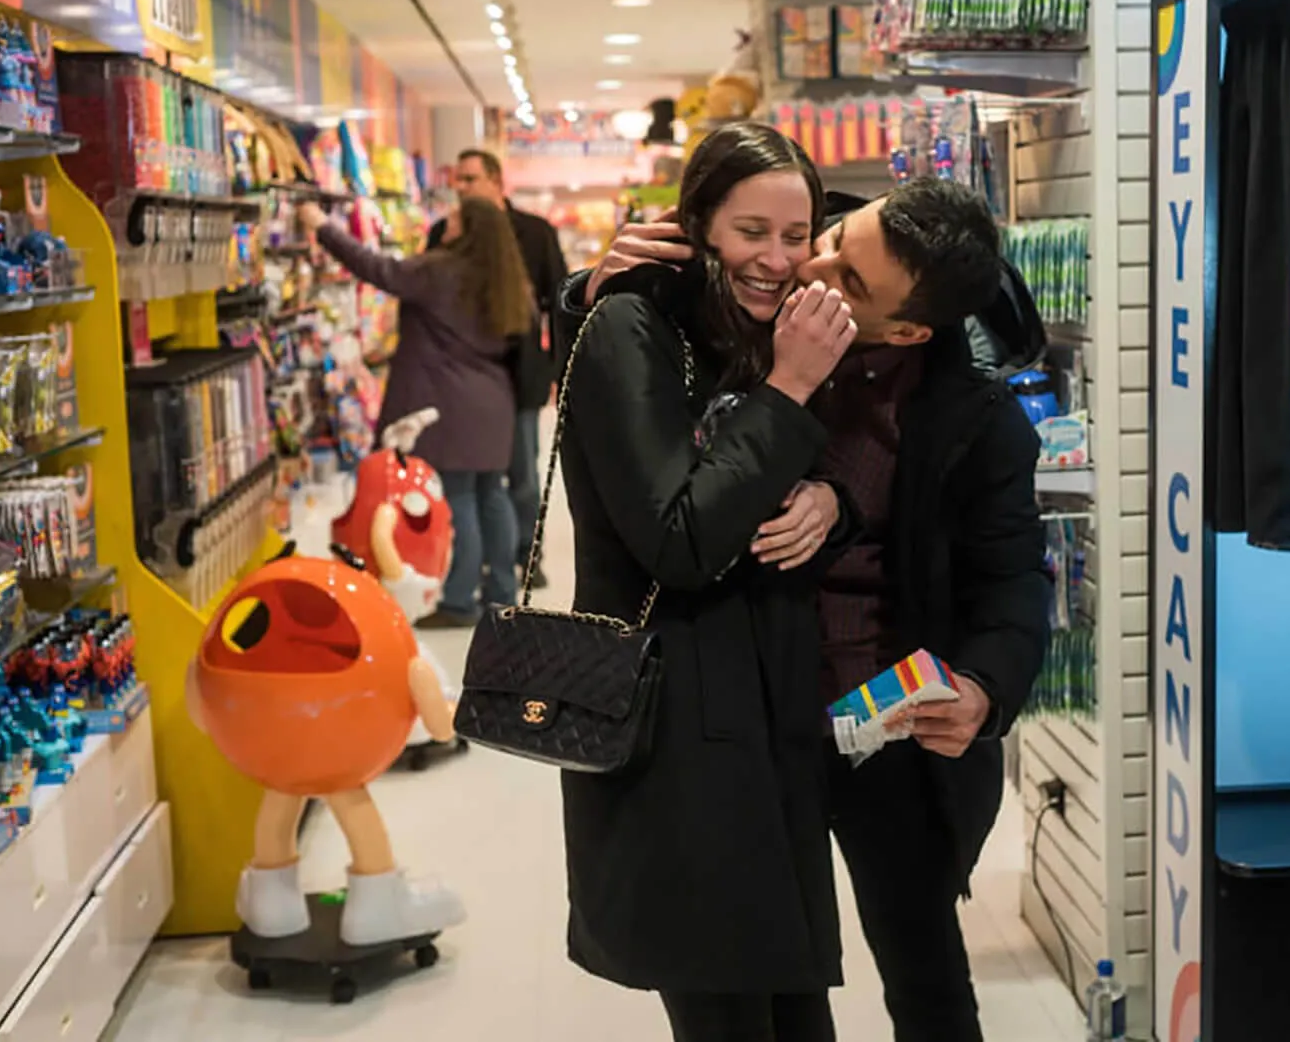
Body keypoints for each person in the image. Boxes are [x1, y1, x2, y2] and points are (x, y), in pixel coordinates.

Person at [561, 177, 1052, 1042]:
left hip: (880, 724)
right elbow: (626, 400)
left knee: (924, 968)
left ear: (906, 329)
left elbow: (1012, 584)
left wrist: (981, 689)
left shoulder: (974, 423)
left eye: (852, 282)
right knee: (747, 992)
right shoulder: (744, 310)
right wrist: (595, 293)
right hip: (734, 726)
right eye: (833, 235)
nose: (811, 265)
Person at [557, 122, 858, 1042]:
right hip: (674, 736)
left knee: (791, 1006)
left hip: (765, 723)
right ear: (696, 229)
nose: (777, 257)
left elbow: (772, 475)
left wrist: (830, 501)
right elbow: (681, 539)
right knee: (726, 1008)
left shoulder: (764, 326)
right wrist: (792, 390)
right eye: (749, 232)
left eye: (795, 234)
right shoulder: (633, 328)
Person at [300, 198, 534, 628]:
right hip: (494, 401)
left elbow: (377, 269)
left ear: (469, 231)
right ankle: (501, 593)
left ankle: (460, 600)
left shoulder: (440, 270)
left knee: (460, 498)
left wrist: (323, 227)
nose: (446, 223)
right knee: (492, 496)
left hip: (449, 402)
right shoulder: (507, 281)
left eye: (456, 219)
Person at [432, 148, 569, 578]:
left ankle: (528, 554)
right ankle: (485, 562)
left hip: (521, 373)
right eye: (458, 180)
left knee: (523, 476)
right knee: (473, 480)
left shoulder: (534, 233)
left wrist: (558, 370)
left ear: (496, 181)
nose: (462, 188)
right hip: (462, 380)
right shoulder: (445, 232)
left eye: (470, 179)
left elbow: (560, 302)